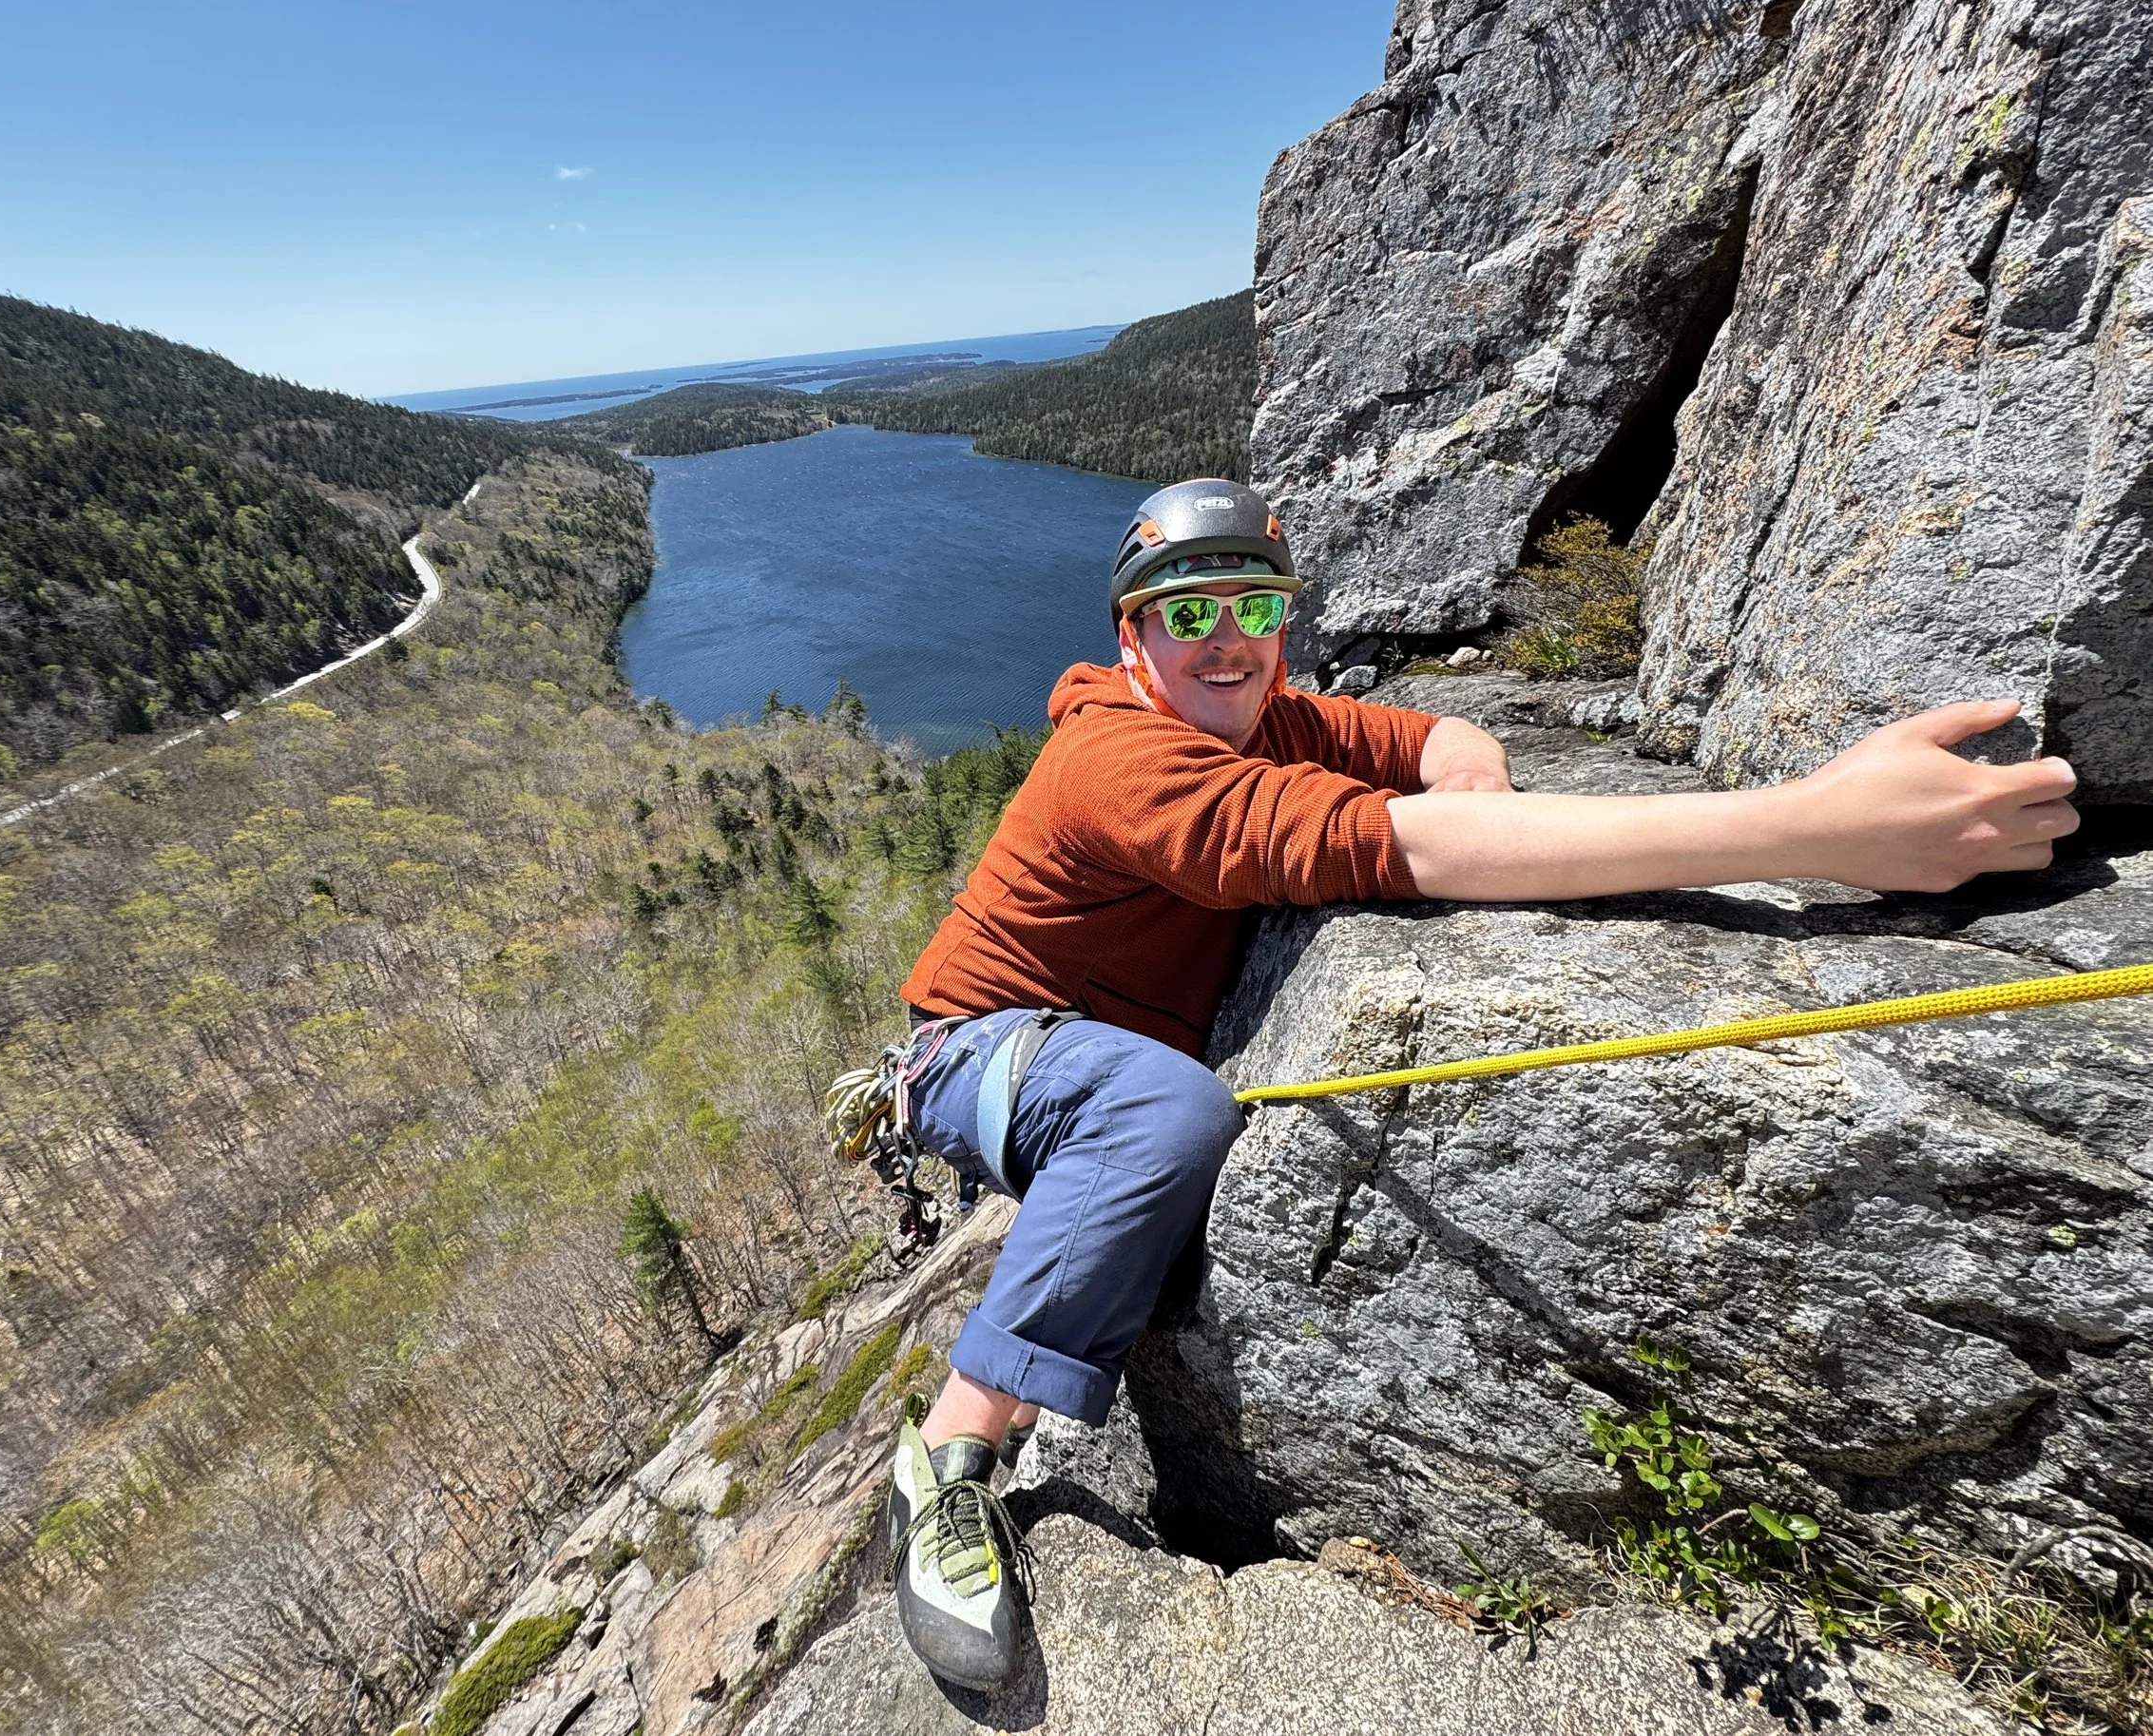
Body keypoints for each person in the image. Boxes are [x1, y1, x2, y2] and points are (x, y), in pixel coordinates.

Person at [876, 477, 2079, 1690]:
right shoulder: (1122, 760)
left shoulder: (1274, 718)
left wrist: (1478, 777)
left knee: (1154, 1095)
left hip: (1092, 1043)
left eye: (1253, 606)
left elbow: (1429, 744)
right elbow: (1401, 848)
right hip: (982, 1045)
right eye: (1186, 616)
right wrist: (1817, 826)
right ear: (1132, 637)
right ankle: (951, 1457)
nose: (1227, 640)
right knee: (1165, 1108)